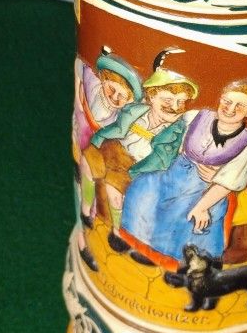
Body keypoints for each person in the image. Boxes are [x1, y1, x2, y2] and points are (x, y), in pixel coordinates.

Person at [119, 80, 247, 266]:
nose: (230, 109)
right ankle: (143, 246)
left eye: (240, 106)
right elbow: (170, 140)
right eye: (227, 102)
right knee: (143, 189)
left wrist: (202, 206)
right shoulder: (196, 116)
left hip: (208, 189)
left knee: (187, 214)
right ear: (221, 99)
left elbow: (228, 183)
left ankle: (183, 265)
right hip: (174, 174)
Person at [84, 49, 199, 253]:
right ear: (151, 97)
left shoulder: (174, 132)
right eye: (167, 101)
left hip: (138, 167)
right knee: (88, 162)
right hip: (114, 151)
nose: (174, 107)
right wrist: (96, 140)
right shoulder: (135, 110)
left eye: (181, 102)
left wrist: (133, 173)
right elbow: (116, 129)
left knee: (115, 194)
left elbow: (160, 160)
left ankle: (117, 232)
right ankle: (86, 211)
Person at [72, 47, 142, 270]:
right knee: (85, 181)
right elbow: (81, 68)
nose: (115, 97)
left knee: (117, 190)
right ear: (103, 79)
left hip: (104, 149)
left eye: (123, 96)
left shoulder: (125, 113)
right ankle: (84, 237)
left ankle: (116, 231)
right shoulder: (92, 85)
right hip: (86, 142)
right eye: (112, 89)